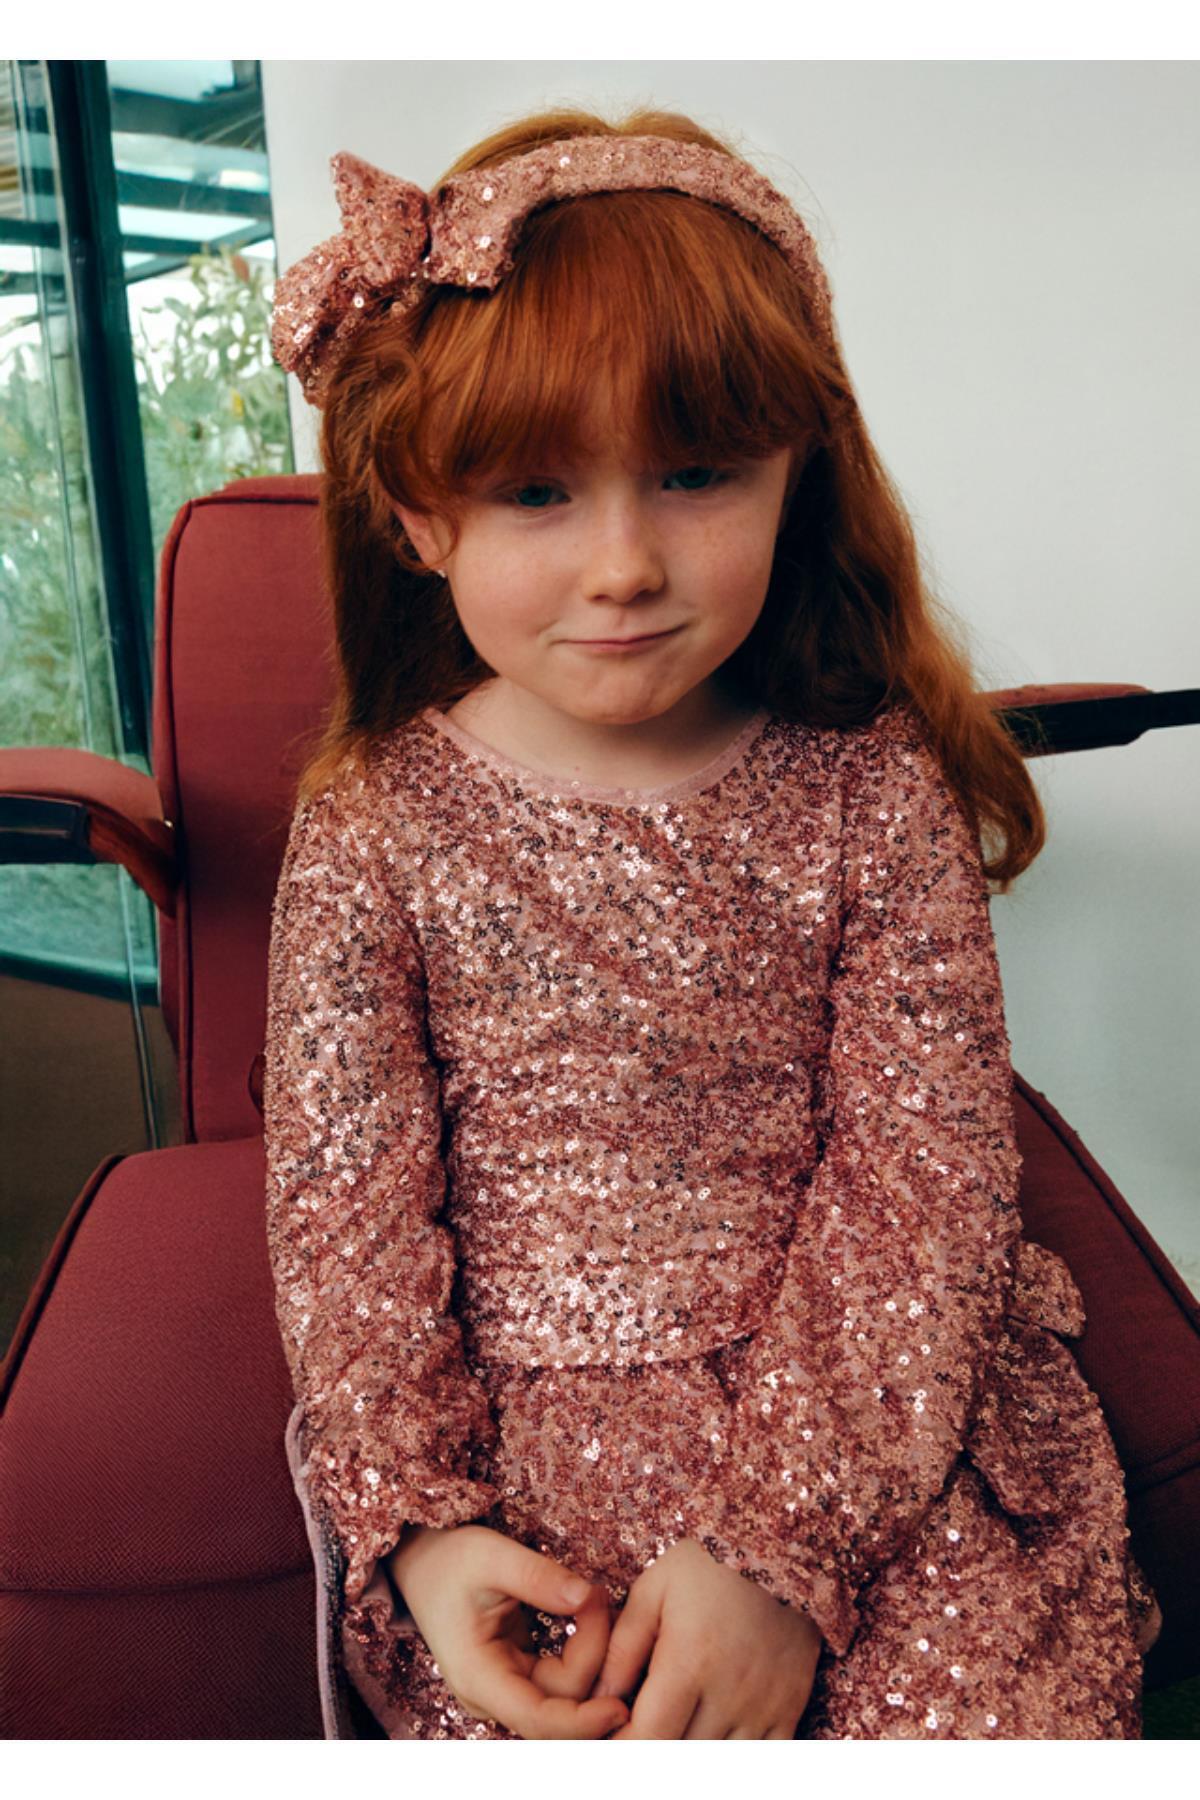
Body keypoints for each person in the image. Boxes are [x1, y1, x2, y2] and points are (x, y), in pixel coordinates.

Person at [262, 106, 1162, 1741]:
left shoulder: (870, 785)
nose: (624, 564)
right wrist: (425, 1534)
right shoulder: (373, 826)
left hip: (873, 1422)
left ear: (796, 475)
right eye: (537, 490)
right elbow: (347, 1226)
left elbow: (925, 1171)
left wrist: (782, 1552)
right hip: (525, 1474)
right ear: (416, 515)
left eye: (696, 476)